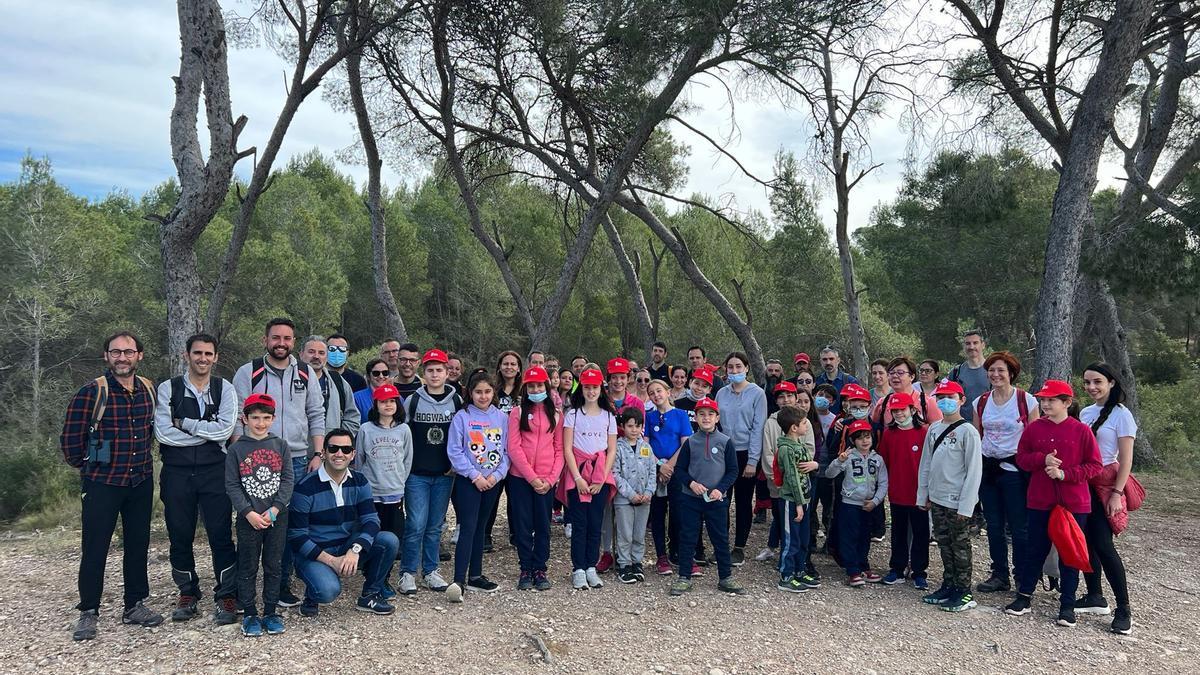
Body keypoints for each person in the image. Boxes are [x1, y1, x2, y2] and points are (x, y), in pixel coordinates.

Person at [61, 331, 162, 641]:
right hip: (102, 483)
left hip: (140, 480)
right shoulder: (91, 393)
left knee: (137, 544)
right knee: (95, 547)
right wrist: (91, 469)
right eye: (116, 352)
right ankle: (88, 611)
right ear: (106, 356)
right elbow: (70, 444)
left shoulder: (148, 390)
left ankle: (134, 604)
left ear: (139, 356)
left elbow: (152, 432)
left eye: (128, 352)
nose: (122, 357)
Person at [232, 317, 326, 608]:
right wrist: (240, 456)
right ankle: (246, 588)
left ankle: (281, 585)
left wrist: (318, 454)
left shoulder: (306, 373)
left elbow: (315, 413)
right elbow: (237, 417)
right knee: (253, 523)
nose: (281, 343)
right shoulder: (249, 372)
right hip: (258, 461)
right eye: (276, 338)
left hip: (297, 460)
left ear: (293, 343)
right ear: (265, 340)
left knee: (287, 525)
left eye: (287, 338)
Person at [154, 333, 238, 624]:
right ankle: (187, 592)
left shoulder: (224, 388)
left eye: (208, 354)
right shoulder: (168, 388)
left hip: (215, 471)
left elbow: (224, 432)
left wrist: (186, 424)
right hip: (176, 473)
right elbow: (164, 433)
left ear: (215, 357)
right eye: (197, 353)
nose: (203, 358)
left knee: (221, 535)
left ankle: (226, 595)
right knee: (179, 535)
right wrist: (206, 432)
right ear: (186, 355)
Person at [1005, 380, 1102, 628]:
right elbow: (1022, 458)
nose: (1046, 404)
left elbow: (1094, 465)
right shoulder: (1034, 428)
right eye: (1043, 400)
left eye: (1052, 400)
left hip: (1074, 503)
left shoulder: (1081, 431)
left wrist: (1065, 475)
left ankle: (1067, 605)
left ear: (1067, 403)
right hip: (1039, 500)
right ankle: (1024, 597)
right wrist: (1042, 459)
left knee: (1069, 553)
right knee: (1035, 548)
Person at [287, 428, 399, 617]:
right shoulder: (305, 487)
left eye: (346, 449)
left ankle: (370, 594)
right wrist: (332, 561)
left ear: (353, 454)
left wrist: (354, 551)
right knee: (327, 591)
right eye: (333, 448)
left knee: (389, 540)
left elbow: (371, 520)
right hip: (314, 553)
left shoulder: (359, 480)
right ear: (323, 452)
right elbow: (296, 536)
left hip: (346, 546)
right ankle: (312, 595)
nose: (340, 454)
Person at [224, 393, 294, 637]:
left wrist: (275, 510)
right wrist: (248, 513)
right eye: (255, 417)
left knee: (273, 565)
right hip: (248, 519)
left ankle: (271, 610)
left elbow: (287, 480)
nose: (260, 423)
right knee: (248, 566)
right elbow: (232, 485)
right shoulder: (236, 449)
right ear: (245, 418)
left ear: (273, 418)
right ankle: (251, 612)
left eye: (266, 417)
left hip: (276, 517)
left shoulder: (280, 445)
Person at [973, 351, 1039, 595]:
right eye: (991, 370)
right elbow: (978, 435)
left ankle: (1022, 574)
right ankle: (999, 574)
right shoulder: (980, 402)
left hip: (1015, 471)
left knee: (1019, 526)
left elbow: (1034, 436)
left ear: (1011, 373)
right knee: (993, 525)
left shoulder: (1026, 400)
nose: (995, 374)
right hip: (989, 470)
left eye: (1001, 370)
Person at [397, 349, 463, 595]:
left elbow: (462, 436)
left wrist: (456, 465)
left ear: (447, 372)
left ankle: (431, 570)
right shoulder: (413, 400)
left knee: (436, 524)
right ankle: (407, 572)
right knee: (415, 523)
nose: (435, 374)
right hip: (416, 474)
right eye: (430, 370)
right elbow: (403, 436)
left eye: (439, 370)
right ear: (423, 372)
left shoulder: (457, 401)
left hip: (445, 474)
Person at [1077, 363, 1136, 634]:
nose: (1091, 387)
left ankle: (1124, 608)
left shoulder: (1122, 416)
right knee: (1086, 540)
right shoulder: (1086, 412)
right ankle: (1094, 595)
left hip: (1105, 485)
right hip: (1083, 484)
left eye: (1097, 381)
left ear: (1111, 383)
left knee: (1103, 544)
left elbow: (1125, 459)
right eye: (1087, 382)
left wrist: (1117, 492)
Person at [916, 380, 983, 612]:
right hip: (937, 498)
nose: (945, 401)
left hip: (958, 500)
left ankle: (964, 591)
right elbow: (926, 463)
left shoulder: (968, 432)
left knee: (960, 545)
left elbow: (974, 471)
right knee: (944, 543)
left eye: (951, 397)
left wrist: (967, 506)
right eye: (941, 397)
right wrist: (923, 494)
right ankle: (949, 584)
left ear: (961, 400)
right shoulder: (934, 428)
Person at [669, 397, 746, 596]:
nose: (706, 418)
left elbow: (732, 470)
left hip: (716, 500)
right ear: (695, 417)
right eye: (701, 414)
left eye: (710, 414)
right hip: (690, 498)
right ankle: (684, 576)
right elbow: (680, 469)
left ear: (717, 417)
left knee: (720, 538)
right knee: (687, 537)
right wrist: (691, 483)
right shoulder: (690, 442)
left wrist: (720, 489)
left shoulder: (725, 441)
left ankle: (725, 576)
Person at [445, 370, 509, 602]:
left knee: (481, 527)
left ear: (494, 393)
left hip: (492, 481)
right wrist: (475, 476)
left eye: (487, 392)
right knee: (468, 527)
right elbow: (454, 451)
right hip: (469, 482)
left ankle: (476, 575)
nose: (483, 396)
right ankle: (459, 578)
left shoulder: (502, 418)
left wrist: (497, 475)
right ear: (470, 393)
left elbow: (507, 451)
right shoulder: (461, 417)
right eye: (478, 392)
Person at [557, 368, 618, 590]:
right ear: (580, 388)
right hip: (578, 474)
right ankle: (578, 568)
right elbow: (567, 449)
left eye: (594, 387)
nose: (591, 391)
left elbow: (611, 450)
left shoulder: (608, 415)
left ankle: (591, 566)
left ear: (600, 388)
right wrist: (577, 477)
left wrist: (602, 478)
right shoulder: (572, 415)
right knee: (579, 522)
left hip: (599, 474)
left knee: (595, 522)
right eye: (586, 387)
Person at [353, 383, 412, 597]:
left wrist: (398, 483)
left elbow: (407, 459)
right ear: (375, 404)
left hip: (394, 494)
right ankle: (370, 577)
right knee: (372, 537)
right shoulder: (365, 429)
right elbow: (359, 460)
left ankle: (384, 579)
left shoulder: (404, 429)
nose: (388, 405)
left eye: (391, 401)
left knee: (393, 540)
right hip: (372, 494)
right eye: (383, 401)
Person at [507, 366, 563, 591]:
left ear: (547, 387)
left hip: (546, 479)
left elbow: (559, 449)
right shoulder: (517, 413)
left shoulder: (557, 415)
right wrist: (531, 478)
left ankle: (540, 567)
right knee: (522, 524)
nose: (536, 389)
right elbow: (514, 447)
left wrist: (550, 479)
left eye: (540, 385)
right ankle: (525, 568)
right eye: (532, 386)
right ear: (526, 388)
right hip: (521, 478)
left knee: (543, 524)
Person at [714, 352, 767, 566]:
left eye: (738, 367)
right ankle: (721, 544)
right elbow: (716, 425)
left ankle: (739, 547)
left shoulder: (757, 394)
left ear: (746, 368)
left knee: (744, 502)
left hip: (746, 453)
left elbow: (758, 428)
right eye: (730, 367)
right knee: (721, 501)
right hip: (724, 452)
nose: (734, 371)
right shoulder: (721, 394)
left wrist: (753, 460)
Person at [874, 392, 930, 589]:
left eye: (902, 410)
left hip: (919, 493)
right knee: (898, 532)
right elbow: (884, 461)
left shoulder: (925, 432)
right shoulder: (889, 433)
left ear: (912, 410)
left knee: (921, 533)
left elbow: (930, 463)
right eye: (894, 411)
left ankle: (919, 571)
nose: (898, 414)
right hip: (897, 492)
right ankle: (897, 568)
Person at [595, 357, 645, 573]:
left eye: (622, 377)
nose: (618, 382)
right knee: (606, 507)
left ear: (628, 378)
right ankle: (607, 552)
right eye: (614, 377)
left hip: (629, 460)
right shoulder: (600, 400)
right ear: (608, 379)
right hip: (603, 459)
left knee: (627, 508)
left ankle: (630, 555)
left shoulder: (636, 403)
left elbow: (641, 433)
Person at [825, 419, 887, 586]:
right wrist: (839, 461)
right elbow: (829, 473)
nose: (864, 441)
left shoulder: (878, 459)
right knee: (849, 536)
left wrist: (875, 501)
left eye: (867, 437)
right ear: (853, 440)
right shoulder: (848, 456)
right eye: (859, 438)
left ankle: (864, 566)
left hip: (868, 505)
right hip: (849, 503)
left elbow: (883, 482)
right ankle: (852, 570)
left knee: (864, 537)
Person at [644, 379, 693, 575]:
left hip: (676, 471)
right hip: (656, 472)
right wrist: (659, 466)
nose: (656, 395)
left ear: (668, 392)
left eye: (659, 391)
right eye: (652, 393)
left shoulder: (680, 415)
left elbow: (685, 444)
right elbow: (645, 445)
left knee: (678, 513)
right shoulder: (649, 417)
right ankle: (661, 556)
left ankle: (679, 553)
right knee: (657, 514)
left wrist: (669, 466)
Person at [775, 405, 819, 593]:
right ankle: (786, 575)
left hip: (805, 499)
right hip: (791, 501)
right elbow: (792, 478)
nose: (806, 426)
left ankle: (800, 570)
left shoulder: (799, 445)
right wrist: (799, 504)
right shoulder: (786, 449)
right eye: (803, 423)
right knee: (790, 538)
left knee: (803, 538)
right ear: (794, 427)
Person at [755, 381, 800, 563]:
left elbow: (809, 449)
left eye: (789, 395)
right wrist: (773, 476)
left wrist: (797, 475)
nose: (786, 399)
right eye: (781, 396)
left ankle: (791, 552)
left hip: (798, 479)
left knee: (795, 516)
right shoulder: (771, 422)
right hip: (777, 481)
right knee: (779, 514)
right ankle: (775, 548)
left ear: (796, 398)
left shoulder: (802, 420)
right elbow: (767, 452)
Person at [482, 350, 523, 551]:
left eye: (513, 364)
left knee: (516, 496)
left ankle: (516, 534)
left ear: (519, 368)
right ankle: (485, 534)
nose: (509, 367)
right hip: (495, 448)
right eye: (505, 363)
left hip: (518, 449)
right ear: (499, 366)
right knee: (493, 493)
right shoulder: (492, 391)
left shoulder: (524, 392)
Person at [613, 408, 656, 583]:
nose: (634, 430)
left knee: (639, 533)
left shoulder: (646, 447)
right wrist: (630, 494)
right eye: (630, 426)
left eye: (638, 426)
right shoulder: (617, 447)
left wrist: (648, 492)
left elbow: (653, 471)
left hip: (644, 499)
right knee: (625, 533)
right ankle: (624, 564)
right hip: (624, 499)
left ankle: (637, 561)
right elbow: (615, 473)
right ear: (623, 426)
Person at [303, 335, 361, 439]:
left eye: (321, 353)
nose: (316, 356)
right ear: (301, 354)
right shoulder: (289, 381)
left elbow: (352, 417)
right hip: (297, 450)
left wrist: (338, 439)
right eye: (311, 352)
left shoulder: (339, 382)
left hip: (331, 451)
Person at [870, 357, 942, 427]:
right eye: (891, 373)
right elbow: (875, 429)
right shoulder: (883, 403)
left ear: (912, 376)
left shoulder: (927, 402)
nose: (895, 376)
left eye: (900, 372)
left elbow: (938, 430)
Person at [947, 330, 989, 424]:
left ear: (983, 345)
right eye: (968, 343)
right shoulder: (956, 373)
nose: (971, 347)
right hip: (962, 425)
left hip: (988, 426)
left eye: (975, 343)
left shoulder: (993, 371)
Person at [814, 346, 860, 414]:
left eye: (831, 359)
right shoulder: (816, 382)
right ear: (821, 362)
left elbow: (858, 405)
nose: (828, 362)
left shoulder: (850, 381)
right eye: (824, 359)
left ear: (838, 360)